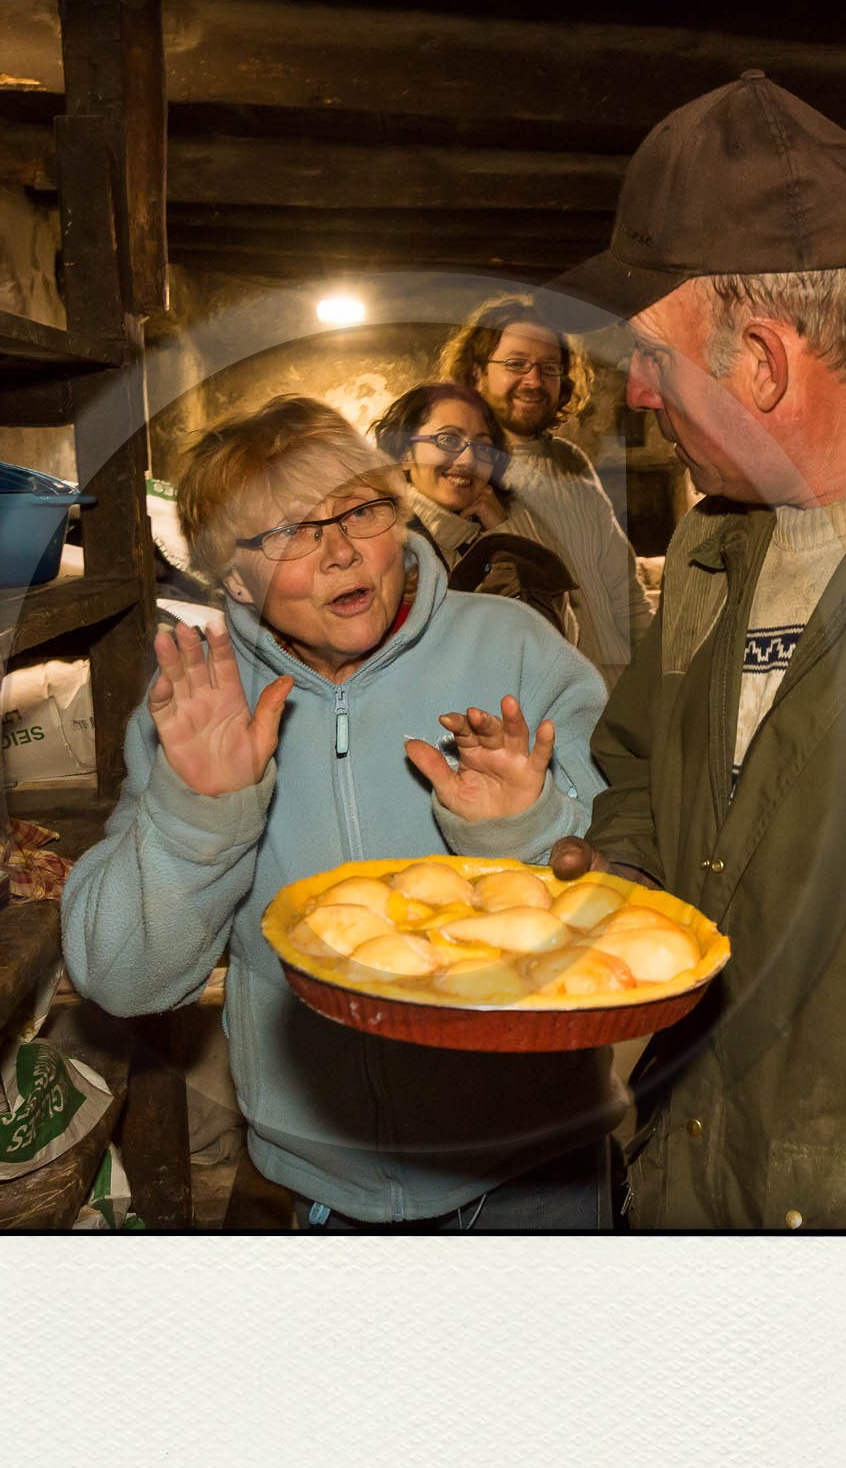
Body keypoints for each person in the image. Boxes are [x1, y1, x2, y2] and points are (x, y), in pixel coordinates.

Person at [542, 70, 846, 1231]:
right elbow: (648, 768)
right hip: (696, 1186)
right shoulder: (712, 539)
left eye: (650, 360)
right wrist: (621, 881)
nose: (639, 398)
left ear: (761, 359)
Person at [60, 395, 626, 1230]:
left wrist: (530, 831)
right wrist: (198, 818)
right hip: (323, 1190)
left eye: (360, 510)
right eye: (289, 531)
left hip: (537, 1169)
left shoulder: (514, 649)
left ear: (397, 519)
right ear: (234, 579)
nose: (338, 552)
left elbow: (633, 905)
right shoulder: (201, 709)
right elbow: (122, 978)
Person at [438, 292, 653, 690]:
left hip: (615, 701)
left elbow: (625, 593)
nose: (534, 381)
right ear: (475, 374)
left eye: (549, 368)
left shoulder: (571, 461)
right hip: (537, 708)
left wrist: (654, 684)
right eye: (516, 364)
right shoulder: (459, 473)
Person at [369, 380, 579, 643]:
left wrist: (506, 531)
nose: (467, 460)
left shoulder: (481, 539)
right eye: (447, 439)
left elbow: (561, 639)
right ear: (404, 453)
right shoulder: (383, 544)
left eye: (482, 447)